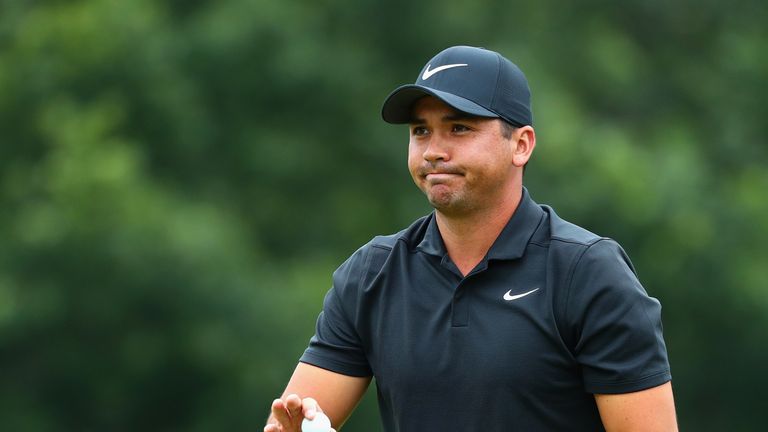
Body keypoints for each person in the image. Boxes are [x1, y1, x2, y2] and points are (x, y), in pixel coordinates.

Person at [265, 45, 678, 431]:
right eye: (420, 131)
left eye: (459, 128)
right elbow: (299, 416)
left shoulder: (588, 272)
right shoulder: (373, 273)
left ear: (521, 145)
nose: (433, 151)